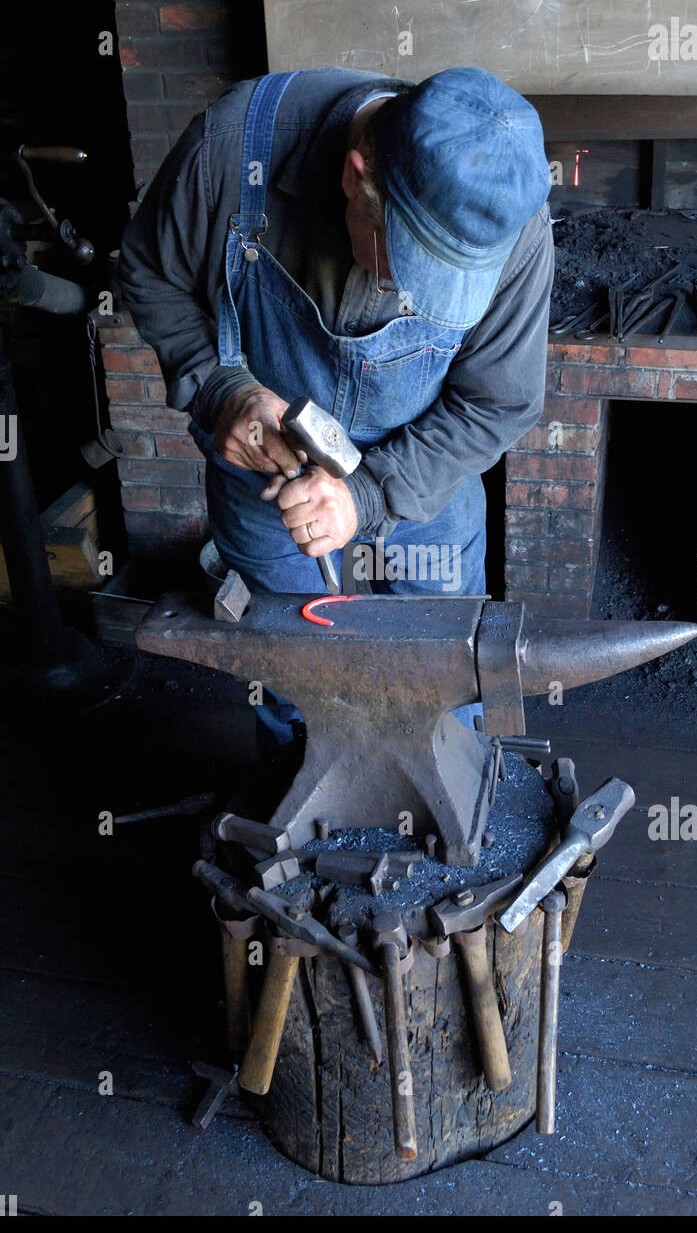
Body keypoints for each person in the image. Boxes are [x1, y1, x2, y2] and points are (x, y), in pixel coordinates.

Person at [119, 65, 554, 801]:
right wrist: (221, 388)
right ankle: (304, 820)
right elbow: (148, 274)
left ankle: (458, 809)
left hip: (423, 481)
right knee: (295, 682)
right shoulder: (231, 151)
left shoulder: (506, 221)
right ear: (358, 177)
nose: (405, 293)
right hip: (268, 485)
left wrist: (369, 491)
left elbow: (497, 404)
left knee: (450, 671)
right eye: (408, 263)